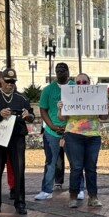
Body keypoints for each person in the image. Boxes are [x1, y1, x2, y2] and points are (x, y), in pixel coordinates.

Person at [0, 68, 34, 215]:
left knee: (19, 170)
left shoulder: (22, 98)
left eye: (13, 81)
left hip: (16, 138)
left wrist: (28, 116)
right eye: (7, 81)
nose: (10, 84)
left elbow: (30, 116)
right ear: (1, 81)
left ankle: (20, 203)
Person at [57, 73, 109, 208]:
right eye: (78, 82)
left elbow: (103, 117)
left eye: (84, 82)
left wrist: (106, 106)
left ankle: (93, 197)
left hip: (93, 135)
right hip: (73, 134)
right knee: (76, 167)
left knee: (91, 168)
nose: (81, 85)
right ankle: (73, 196)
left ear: (89, 83)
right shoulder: (69, 96)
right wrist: (60, 108)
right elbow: (62, 118)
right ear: (75, 84)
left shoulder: (96, 95)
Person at [35, 62, 79, 200]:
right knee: (50, 161)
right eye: (58, 70)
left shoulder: (75, 88)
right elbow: (43, 109)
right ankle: (46, 190)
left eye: (63, 70)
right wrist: (51, 125)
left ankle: (78, 189)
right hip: (52, 131)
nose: (60, 72)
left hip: (71, 130)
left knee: (76, 162)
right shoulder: (48, 90)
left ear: (68, 72)